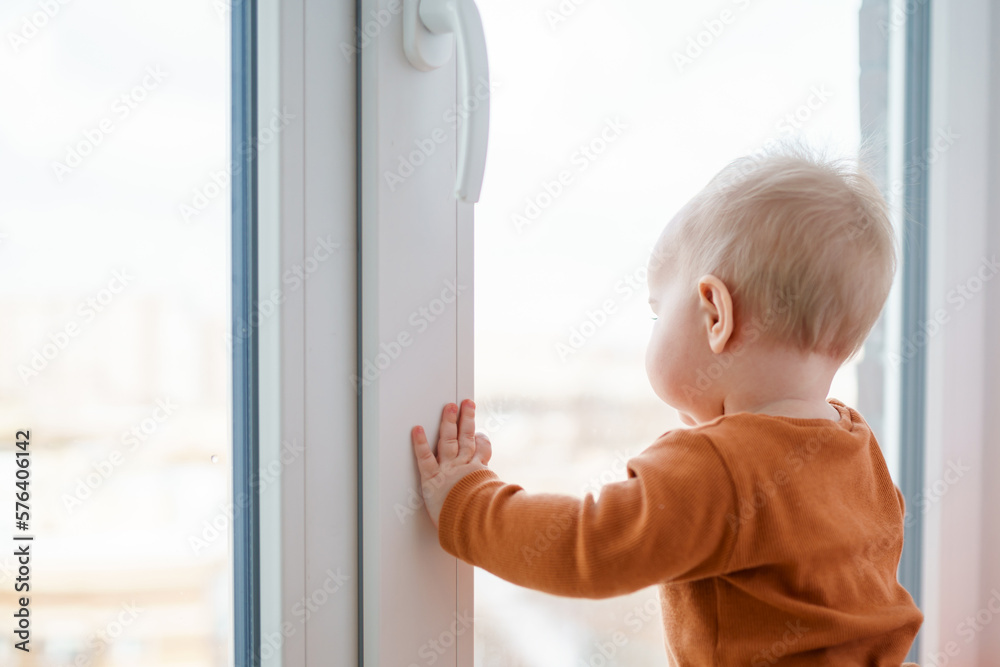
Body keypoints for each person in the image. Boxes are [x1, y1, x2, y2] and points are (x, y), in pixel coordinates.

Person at [410, 143, 923, 665]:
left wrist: (465, 502)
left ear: (715, 314)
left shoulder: (722, 466)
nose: (653, 330)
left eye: (657, 314)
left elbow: (586, 549)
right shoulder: (859, 449)